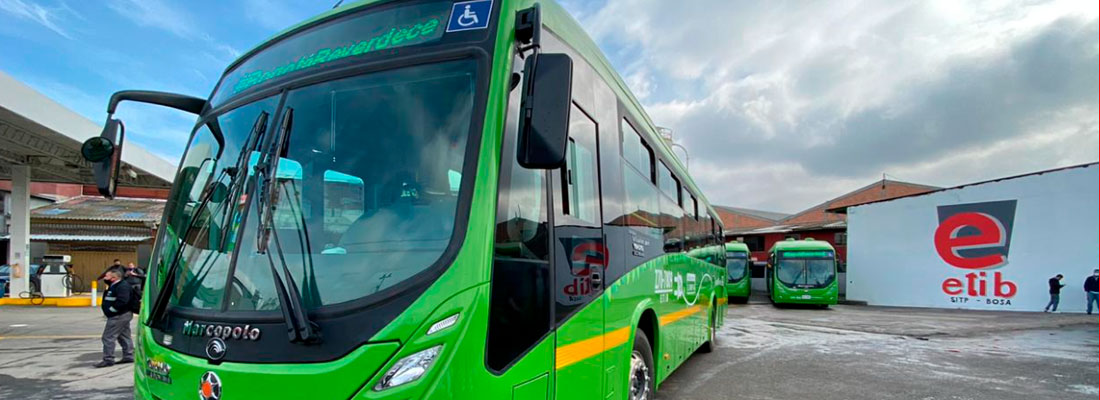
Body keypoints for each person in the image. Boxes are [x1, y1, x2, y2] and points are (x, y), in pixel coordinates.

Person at [94, 269, 134, 368]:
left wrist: (111, 310)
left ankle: (108, 359)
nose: (105, 278)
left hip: (119, 315)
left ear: (114, 278)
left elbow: (122, 301)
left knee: (108, 337)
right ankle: (128, 356)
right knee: (124, 335)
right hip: (119, 315)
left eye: (107, 276)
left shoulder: (122, 286)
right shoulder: (114, 286)